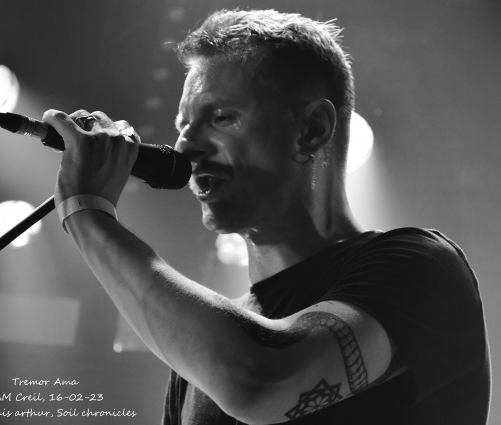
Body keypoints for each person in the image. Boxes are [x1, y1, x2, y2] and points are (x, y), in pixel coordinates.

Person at [43, 9, 491, 425]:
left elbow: (260, 382)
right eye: (183, 126)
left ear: (312, 129)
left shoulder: (419, 266)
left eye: (221, 117)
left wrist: (89, 215)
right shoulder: (201, 342)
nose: (185, 147)